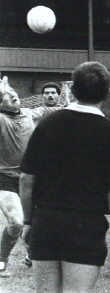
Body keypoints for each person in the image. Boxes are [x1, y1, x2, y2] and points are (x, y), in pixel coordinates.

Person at [20, 61, 110, 292]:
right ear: (108, 93)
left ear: (71, 91)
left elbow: (26, 180)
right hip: (85, 226)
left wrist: (29, 222)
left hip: (45, 222)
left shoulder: (46, 125)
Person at [0, 76, 66, 277]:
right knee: (16, 222)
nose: (13, 95)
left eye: (14, 93)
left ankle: (32, 254)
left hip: (30, 179)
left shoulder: (31, 113)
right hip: (5, 180)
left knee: (43, 221)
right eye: (7, 95)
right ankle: (1, 261)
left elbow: (57, 110)